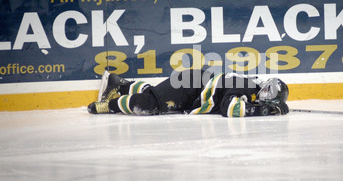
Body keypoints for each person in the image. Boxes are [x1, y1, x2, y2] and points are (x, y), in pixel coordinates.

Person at [87, 70, 289, 118]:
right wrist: (264, 110)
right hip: (191, 85)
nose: (264, 91)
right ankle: (110, 104)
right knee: (150, 105)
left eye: (270, 92)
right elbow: (230, 108)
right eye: (267, 86)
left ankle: (120, 84)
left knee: (156, 95)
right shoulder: (247, 86)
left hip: (194, 88)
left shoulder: (251, 91)